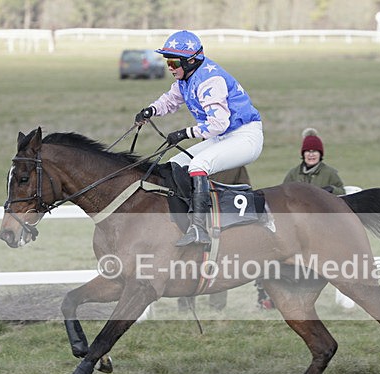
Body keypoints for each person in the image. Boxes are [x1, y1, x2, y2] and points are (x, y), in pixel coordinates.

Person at [134, 30, 263, 247]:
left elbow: (218, 124)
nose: (170, 67)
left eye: (174, 62)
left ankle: (200, 228)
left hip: (245, 137)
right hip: (224, 136)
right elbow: (171, 100)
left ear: (191, 60)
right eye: (167, 62)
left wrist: (184, 134)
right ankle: (180, 219)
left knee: (198, 165)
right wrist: (150, 111)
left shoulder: (210, 80)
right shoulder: (187, 77)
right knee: (174, 165)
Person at [177, 166, 251, 312]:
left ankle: (217, 309)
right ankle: (186, 307)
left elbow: (245, 193)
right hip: (196, 221)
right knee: (190, 262)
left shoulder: (235, 165)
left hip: (222, 221)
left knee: (220, 263)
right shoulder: (195, 160)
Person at [282, 128, 345, 195]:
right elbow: (283, 193)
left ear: (320, 154)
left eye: (315, 151)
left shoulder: (330, 173)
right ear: (303, 154)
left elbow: (342, 192)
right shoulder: (293, 174)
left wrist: (332, 189)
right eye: (308, 151)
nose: (311, 155)